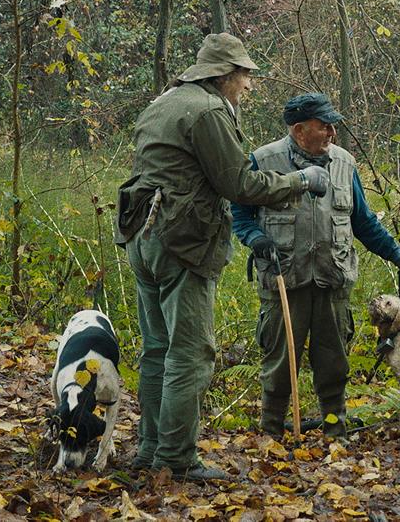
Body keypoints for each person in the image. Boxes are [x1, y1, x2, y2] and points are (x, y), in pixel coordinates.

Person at [114, 33, 331, 482]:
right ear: (224, 75)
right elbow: (240, 185)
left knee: (157, 349)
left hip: (143, 237)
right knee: (190, 353)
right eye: (245, 76)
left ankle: (150, 449)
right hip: (182, 242)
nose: (248, 86)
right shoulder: (209, 110)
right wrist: (301, 181)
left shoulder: (165, 101)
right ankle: (175, 460)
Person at [231, 93, 400, 438]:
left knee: (334, 364)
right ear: (300, 130)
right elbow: (240, 214)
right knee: (279, 364)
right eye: (325, 125)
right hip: (283, 280)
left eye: (333, 125)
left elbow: (363, 221)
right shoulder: (263, 160)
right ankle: (271, 434)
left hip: (332, 280)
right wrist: (256, 239)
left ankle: (335, 432)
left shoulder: (345, 163)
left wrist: (396, 254)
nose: (333, 132)